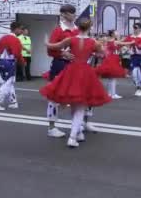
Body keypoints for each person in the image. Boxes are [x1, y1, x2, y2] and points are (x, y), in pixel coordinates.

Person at [40, 19, 111, 148]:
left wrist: (46, 41)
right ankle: (72, 137)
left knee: (74, 105)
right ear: (90, 27)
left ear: (78, 27)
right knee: (80, 107)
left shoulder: (71, 39)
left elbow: (52, 46)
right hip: (85, 73)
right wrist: (99, 49)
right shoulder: (92, 42)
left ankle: (77, 132)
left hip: (71, 72)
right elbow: (104, 54)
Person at [45, 5, 80, 138]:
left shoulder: (77, 30)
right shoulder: (58, 31)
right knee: (54, 96)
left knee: (77, 96)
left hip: (76, 66)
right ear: (64, 14)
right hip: (60, 65)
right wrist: (62, 54)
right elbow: (49, 50)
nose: (74, 15)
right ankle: (51, 127)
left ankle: (78, 124)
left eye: (74, 13)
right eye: (72, 13)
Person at [0, 22, 25, 110]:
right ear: (16, 29)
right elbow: (17, 53)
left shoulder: (3, 37)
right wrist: (22, 62)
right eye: (20, 29)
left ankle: (13, 102)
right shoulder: (15, 39)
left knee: (9, 82)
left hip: (1, 62)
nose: (21, 31)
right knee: (8, 82)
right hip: (9, 62)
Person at [95, 30, 133, 99]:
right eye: (116, 33)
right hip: (113, 59)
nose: (117, 33)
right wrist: (132, 42)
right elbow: (123, 42)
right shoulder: (114, 41)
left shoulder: (108, 41)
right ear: (112, 34)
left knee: (111, 78)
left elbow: (121, 41)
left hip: (109, 58)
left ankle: (110, 93)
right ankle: (113, 94)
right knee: (113, 78)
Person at [124, 23, 141, 97]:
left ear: (140, 28)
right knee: (134, 74)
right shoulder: (130, 36)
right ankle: (137, 87)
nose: (135, 29)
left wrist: (134, 43)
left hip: (140, 57)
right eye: (134, 27)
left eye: (136, 28)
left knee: (140, 74)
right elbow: (124, 42)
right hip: (133, 56)